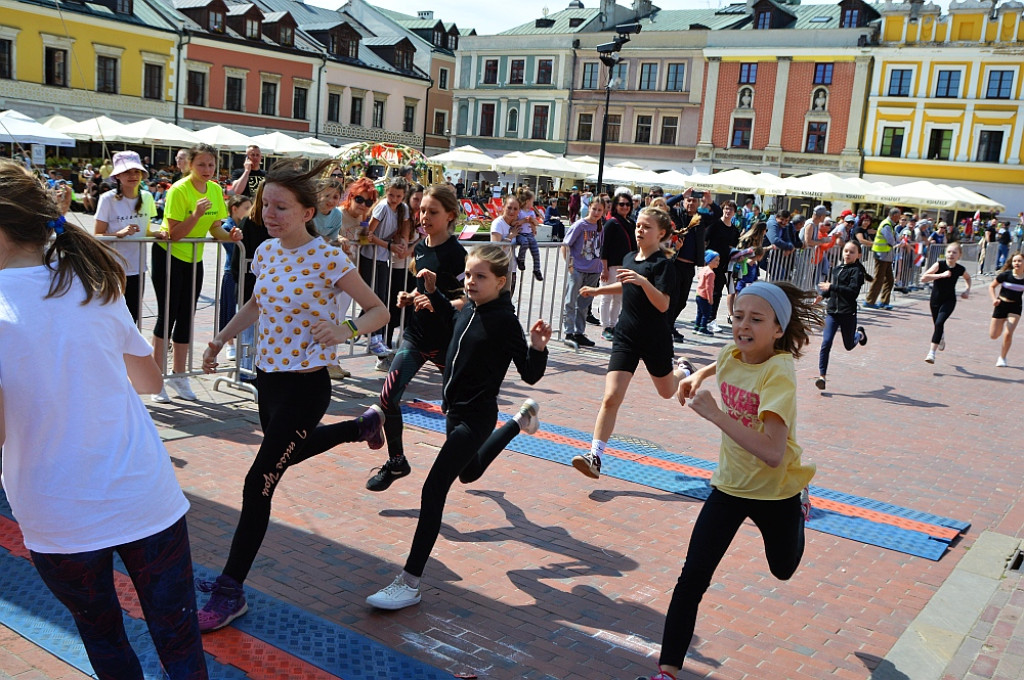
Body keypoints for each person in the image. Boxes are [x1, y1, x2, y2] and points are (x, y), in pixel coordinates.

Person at [0, 159, 209, 679]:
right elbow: (150, 381)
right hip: (142, 490)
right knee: (180, 641)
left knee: (104, 638)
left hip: (57, 510)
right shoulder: (90, 280)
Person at [197, 160, 391, 632]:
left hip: (307, 386)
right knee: (287, 452)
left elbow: (377, 310)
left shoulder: (329, 258)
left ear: (308, 212)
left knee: (258, 480)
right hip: (268, 381)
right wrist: (220, 339)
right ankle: (359, 427)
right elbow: (257, 303)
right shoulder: (264, 252)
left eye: (281, 207)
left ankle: (230, 589)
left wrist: (344, 328)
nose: (270, 214)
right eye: (267, 205)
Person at [641, 281, 821, 680]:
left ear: (777, 329)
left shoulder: (779, 373)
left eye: (756, 319)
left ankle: (802, 506)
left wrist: (718, 416)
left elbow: (774, 454)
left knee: (783, 569)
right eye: (738, 316)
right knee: (691, 579)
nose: (743, 325)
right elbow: (725, 360)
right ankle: (666, 672)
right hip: (728, 487)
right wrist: (699, 374)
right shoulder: (732, 351)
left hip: (776, 491)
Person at [365, 245, 550, 610]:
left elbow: (530, 373)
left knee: (434, 490)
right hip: (454, 413)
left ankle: (410, 582)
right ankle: (519, 422)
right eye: (468, 275)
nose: (471, 281)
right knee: (470, 472)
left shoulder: (504, 321)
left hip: (476, 418)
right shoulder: (468, 311)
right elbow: (446, 327)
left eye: (480, 277)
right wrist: (429, 296)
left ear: (501, 281)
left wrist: (539, 346)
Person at [571, 208, 694, 479]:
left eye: (646, 227)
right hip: (626, 336)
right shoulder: (629, 257)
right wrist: (597, 290)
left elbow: (663, 304)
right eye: (638, 225)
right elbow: (626, 286)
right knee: (611, 397)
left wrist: (643, 281)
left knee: (666, 391)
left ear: (661, 233)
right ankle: (595, 456)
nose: (639, 230)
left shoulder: (663, 265)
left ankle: (683, 371)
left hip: (654, 338)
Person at [365, 184, 468, 492]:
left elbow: (467, 300)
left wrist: (438, 301)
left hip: (446, 342)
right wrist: (411, 297)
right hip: (416, 336)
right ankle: (397, 461)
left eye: (432, 212)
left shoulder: (457, 254)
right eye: (422, 210)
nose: (424, 216)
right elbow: (424, 289)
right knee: (387, 397)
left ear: (450, 216)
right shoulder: (420, 247)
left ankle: (465, 457)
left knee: (460, 406)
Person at [150, 143, 241, 403]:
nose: (207, 169)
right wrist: (195, 214)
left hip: (195, 259)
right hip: (169, 256)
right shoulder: (178, 190)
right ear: (190, 165)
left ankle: (179, 376)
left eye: (211, 164)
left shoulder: (214, 189)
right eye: (201, 164)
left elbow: (215, 228)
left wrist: (232, 235)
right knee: (167, 316)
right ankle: (158, 378)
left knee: (186, 318)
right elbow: (175, 234)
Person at [94, 151, 157, 323]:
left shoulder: (147, 197)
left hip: (138, 268)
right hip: (114, 269)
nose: (132, 175)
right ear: (118, 176)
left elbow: (146, 230)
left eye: (136, 171)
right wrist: (119, 234)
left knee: (132, 317)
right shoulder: (107, 199)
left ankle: (126, 351)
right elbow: (98, 234)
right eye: (127, 172)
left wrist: (158, 233)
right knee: (111, 317)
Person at [362, 177, 410, 362]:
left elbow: (404, 230)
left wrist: (403, 244)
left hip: (383, 257)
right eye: (391, 195)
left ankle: (376, 336)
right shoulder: (382, 207)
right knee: (375, 298)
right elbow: (368, 233)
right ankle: (373, 336)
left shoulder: (403, 209)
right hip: (370, 256)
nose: (394, 199)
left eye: (398, 196)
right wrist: (389, 246)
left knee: (382, 298)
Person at [814, 241, 869, 390]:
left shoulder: (856, 272)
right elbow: (833, 290)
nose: (848, 254)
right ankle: (822, 377)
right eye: (846, 251)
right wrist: (823, 295)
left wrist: (831, 286)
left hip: (847, 313)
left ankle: (860, 334)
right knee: (826, 343)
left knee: (849, 345)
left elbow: (852, 292)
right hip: (832, 312)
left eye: (852, 252)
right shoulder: (837, 269)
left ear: (858, 255)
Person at [920, 241, 971, 364]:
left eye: (954, 252)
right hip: (935, 300)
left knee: (939, 322)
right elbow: (923, 278)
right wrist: (941, 275)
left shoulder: (960, 269)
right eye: (949, 252)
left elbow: (968, 278)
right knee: (938, 325)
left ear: (959, 255)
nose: (951, 255)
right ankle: (940, 337)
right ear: (945, 253)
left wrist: (967, 290)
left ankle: (931, 353)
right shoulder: (939, 265)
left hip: (949, 300)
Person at [562, 198, 604, 347]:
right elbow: (565, 245)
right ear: (589, 208)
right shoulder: (580, 225)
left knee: (584, 304)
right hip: (578, 269)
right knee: (571, 301)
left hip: (593, 270)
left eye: (600, 210)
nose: (596, 213)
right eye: (594, 209)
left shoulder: (600, 227)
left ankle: (579, 332)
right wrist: (570, 266)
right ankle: (568, 332)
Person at [218, 194, 253, 361]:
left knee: (245, 309)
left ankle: (243, 344)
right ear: (234, 209)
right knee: (229, 309)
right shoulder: (227, 226)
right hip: (231, 273)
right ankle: (229, 344)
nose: (249, 211)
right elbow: (234, 251)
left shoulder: (249, 225)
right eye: (246, 208)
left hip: (246, 273)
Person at [597, 194, 635, 342]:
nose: (625, 207)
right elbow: (604, 248)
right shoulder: (611, 223)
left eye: (627, 204)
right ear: (615, 206)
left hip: (625, 266)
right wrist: (604, 268)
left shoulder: (631, 223)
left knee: (618, 298)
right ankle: (605, 327)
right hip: (611, 265)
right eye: (621, 204)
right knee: (606, 296)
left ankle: (613, 326)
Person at [989, 252, 1024, 367]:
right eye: (1014, 261)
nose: (1017, 263)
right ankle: (1000, 324)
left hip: (1015, 307)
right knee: (994, 335)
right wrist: (994, 299)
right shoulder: (1005, 275)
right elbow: (992, 286)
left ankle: (1002, 358)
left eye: (1019, 261)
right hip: (1001, 305)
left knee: (1008, 333)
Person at [864, 207, 900, 310]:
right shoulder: (886, 225)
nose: (898, 218)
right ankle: (870, 300)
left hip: (887, 255)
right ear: (894, 216)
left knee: (889, 280)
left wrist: (897, 240)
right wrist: (897, 241)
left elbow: (896, 238)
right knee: (879, 278)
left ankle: (884, 301)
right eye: (898, 216)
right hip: (881, 255)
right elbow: (892, 241)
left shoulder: (891, 225)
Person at [513, 187, 543, 281]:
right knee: (524, 242)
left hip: (529, 234)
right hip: (521, 234)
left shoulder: (531, 212)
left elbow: (536, 223)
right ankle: (521, 259)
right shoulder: (520, 211)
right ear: (527, 201)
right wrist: (524, 221)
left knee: (536, 251)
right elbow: (515, 223)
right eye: (532, 201)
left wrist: (532, 222)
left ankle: (537, 269)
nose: (532, 204)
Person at [693, 250, 719, 336]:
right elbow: (709, 287)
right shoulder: (711, 273)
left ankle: (696, 326)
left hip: (698, 294)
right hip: (705, 296)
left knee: (699, 312)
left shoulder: (704, 269)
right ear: (710, 261)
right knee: (706, 313)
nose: (718, 262)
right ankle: (703, 328)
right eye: (716, 260)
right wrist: (710, 299)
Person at [312, 177, 344, 244]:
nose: (330, 201)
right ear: (318, 195)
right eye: (327, 196)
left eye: (335, 197)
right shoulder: (309, 210)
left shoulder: (337, 215)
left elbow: (332, 238)